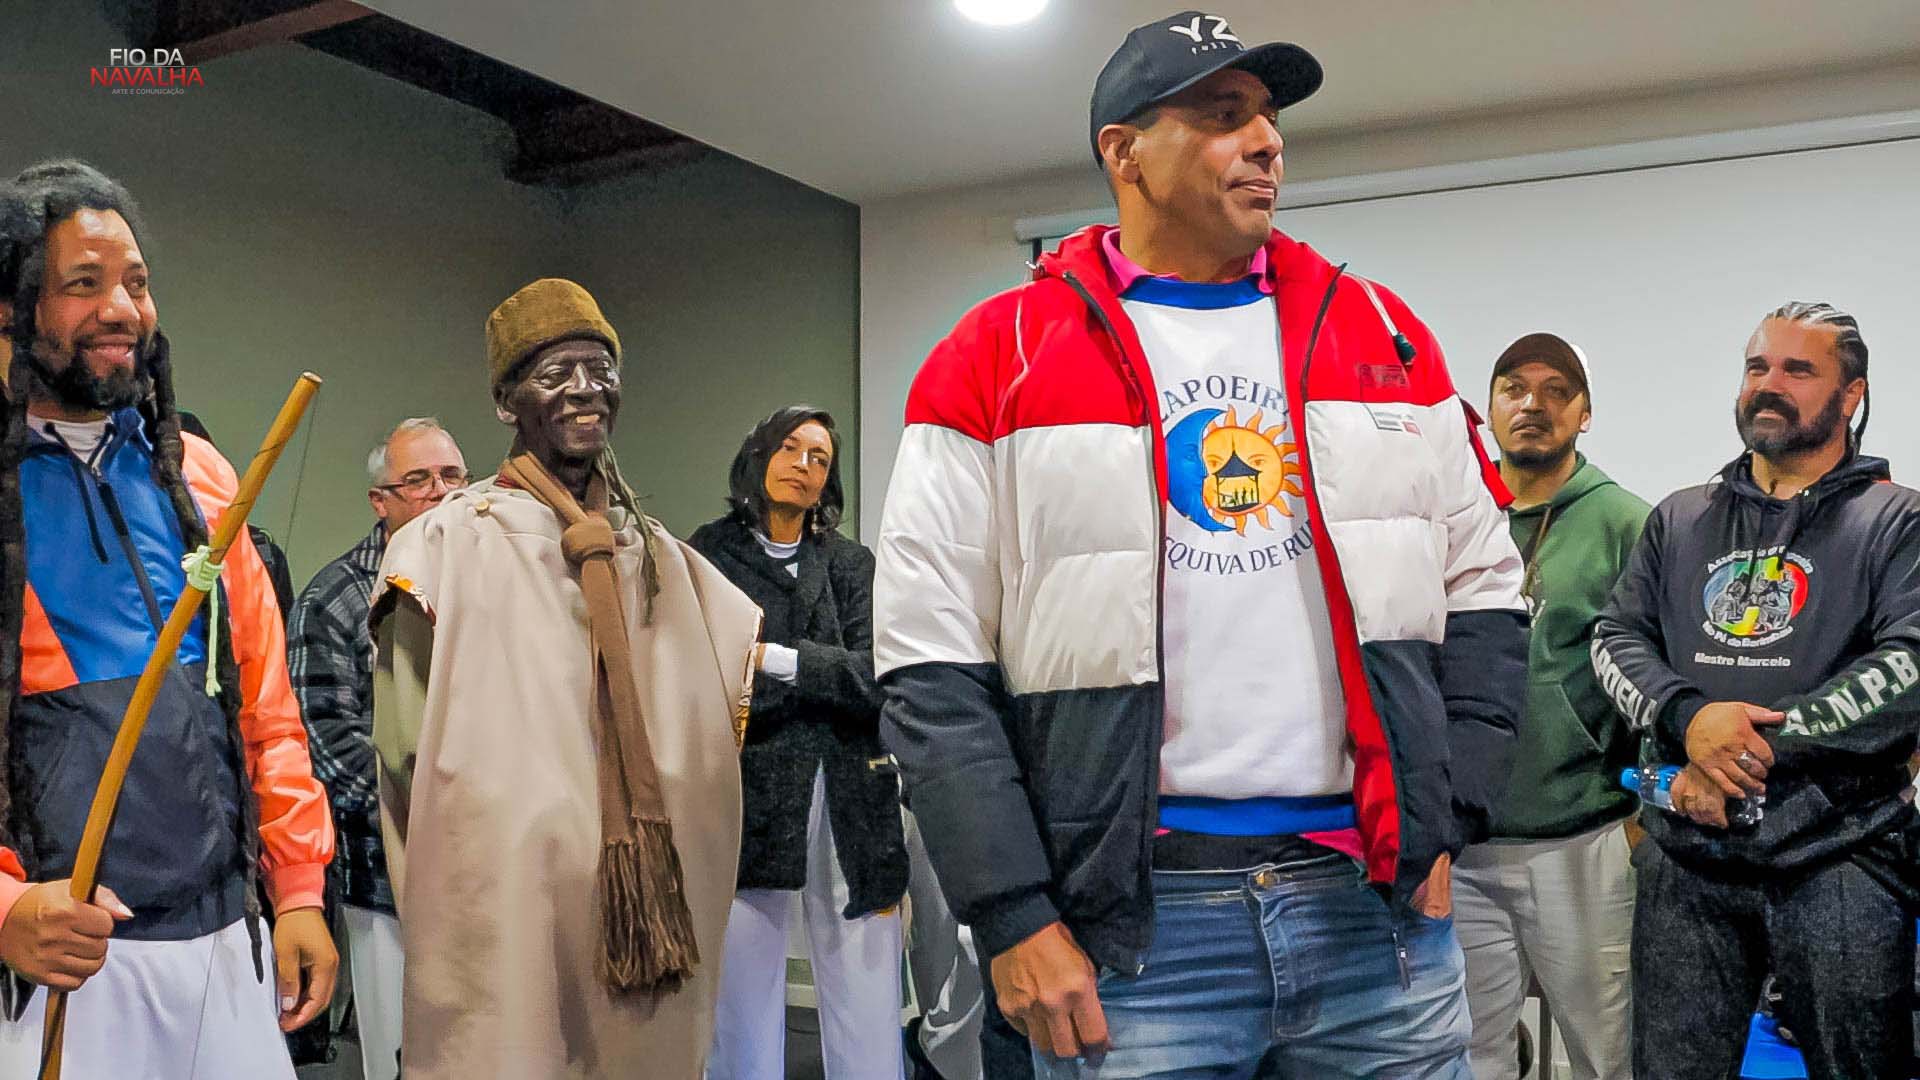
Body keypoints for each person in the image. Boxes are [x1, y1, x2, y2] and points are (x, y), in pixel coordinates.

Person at [871, 12, 1528, 1077]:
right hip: (1131, 937)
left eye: (1268, 117)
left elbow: (1489, 595)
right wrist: (1012, 914)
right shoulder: (997, 354)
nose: (1267, 142)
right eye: (1224, 116)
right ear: (1124, 152)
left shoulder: (1382, 333)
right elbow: (928, 662)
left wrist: (1447, 819)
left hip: (1377, 922)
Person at [370, 277, 761, 1078]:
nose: (585, 389)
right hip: (510, 896)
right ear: (506, 402)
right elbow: (402, 751)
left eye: (600, 370)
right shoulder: (444, 552)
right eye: (556, 373)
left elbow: (709, 738)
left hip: (648, 917)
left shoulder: (664, 562)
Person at [0, 159, 336, 1075]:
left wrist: (297, 888)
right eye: (84, 283)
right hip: (66, 966)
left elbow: (265, 707)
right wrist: (7, 911)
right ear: (12, 308)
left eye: (137, 283)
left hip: (231, 942)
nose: (122, 309)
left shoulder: (197, 474)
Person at [1592, 301, 1920, 1078]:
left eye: (1798, 370)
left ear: (1852, 395)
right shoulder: (1681, 518)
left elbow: (1910, 663)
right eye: (1757, 367)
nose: (1769, 385)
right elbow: (1614, 638)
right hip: (1688, 857)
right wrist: (1689, 718)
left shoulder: (1897, 521)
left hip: (1841, 855)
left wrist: (1744, 748)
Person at [1453, 333, 1649, 1080]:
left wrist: (1639, 825)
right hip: (1464, 846)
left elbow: (1662, 675)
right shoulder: (1459, 517)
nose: (1532, 404)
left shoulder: (1628, 524)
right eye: (1514, 387)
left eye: (1556, 390)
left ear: (1585, 414)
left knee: (1607, 1054)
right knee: (1471, 1055)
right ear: (1490, 406)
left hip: (1583, 838)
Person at [692, 405, 908, 1079]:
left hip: (851, 789)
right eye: (791, 448)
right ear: (758, 456)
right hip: (747, 791)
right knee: (740, 989)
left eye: (820, 458)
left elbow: (880, 676)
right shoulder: (708, 556)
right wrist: (823, 676)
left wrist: (779, 661)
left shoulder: (850, 564)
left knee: (866, 983)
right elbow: (701, 670)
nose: (804, 466)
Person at [287, 416, 467, 1080]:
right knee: (402, 1055)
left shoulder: (492, 587)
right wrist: (431, 816)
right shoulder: (334, 600)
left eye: (452, 476)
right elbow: (328, 745)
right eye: (417, 480)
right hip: (387, 875)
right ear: (380, 501)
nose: (440, 491)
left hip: (491, 869)